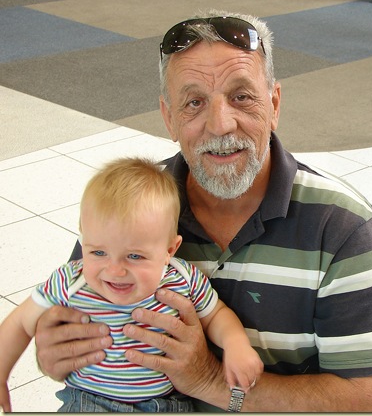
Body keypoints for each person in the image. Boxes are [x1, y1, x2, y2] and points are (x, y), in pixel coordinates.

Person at [34, 10, 372, 412]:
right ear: (169, 118)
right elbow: (66, 328)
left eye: (241, 97)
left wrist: (208, 380)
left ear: (274, 104)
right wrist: (54, 353)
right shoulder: (131, 204)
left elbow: (366, 400)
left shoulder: (342, 225)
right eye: (194, 102)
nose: (221, 124)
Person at [0, 157, 263, 413]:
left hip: (167, 404)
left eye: (135, 256)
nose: (115, 271)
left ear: (169, 250)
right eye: (98, 252)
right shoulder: (71, 281)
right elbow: (20, 322)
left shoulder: (182, 278)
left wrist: (236, 345)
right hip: (88, 401)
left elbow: (216, 315)